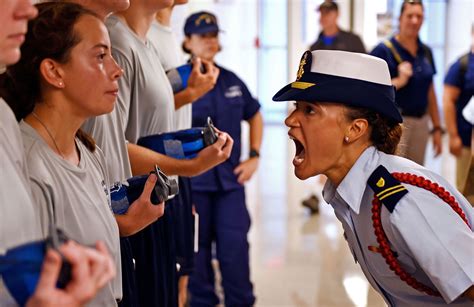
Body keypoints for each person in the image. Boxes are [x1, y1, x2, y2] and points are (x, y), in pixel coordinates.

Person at [273, 49, 474, 305]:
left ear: (355, 129)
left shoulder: (402, 202)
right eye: (295, 107)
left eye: (309, 110)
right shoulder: (350, 192)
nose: (291, 120)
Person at [1, 3, 133, 305]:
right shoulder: (34, 167)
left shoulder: (86, 149)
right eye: (100, 56)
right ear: (53, 71)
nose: (117, 70)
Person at [107, 1, 234, 306]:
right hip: (136, 198)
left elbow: (147, 122)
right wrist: (187, 167)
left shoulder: (146, 42)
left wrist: (191, 95)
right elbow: (113, 144)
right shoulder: (119, 42)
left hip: (158, 192)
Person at [182, 11, 263, 307]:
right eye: (202, 36)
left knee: (235, 251)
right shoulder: (179, 84)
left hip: (230, 184)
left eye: (214, 35)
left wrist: (254, 155)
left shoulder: (231, 80)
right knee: (197, 255)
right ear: (187, 41)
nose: (210, 41)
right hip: (193, 184)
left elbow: (254, 113)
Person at [150, 2, 220, 306]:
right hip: (157, 173)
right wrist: (193, 94)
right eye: (203, 35)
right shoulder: (139, 39)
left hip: (178, 175)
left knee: (182, 274)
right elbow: (140, 123)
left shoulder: (165, 38)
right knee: (165, 282)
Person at [371, 0, 442, 166]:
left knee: (416, 175)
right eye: (410, 16)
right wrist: (400, 81)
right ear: (400, 18)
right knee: (393, 173)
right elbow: (372, 89)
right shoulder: (383, 50)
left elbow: (430, 90)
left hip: (421, 123)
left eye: (419, 16)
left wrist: (437, 128)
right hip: (395, 123)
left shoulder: (426, 51)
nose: (415, 21)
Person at [443, 25, 474, 192]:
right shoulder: (461, 66)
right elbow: (448, 102)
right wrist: (453, 136)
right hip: (466, 140)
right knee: (467, 192)